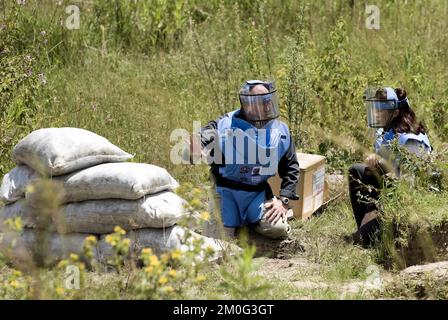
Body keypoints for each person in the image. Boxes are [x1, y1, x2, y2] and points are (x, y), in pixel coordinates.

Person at [185, 80, 300, 240]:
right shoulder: (226, 124)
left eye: (268, 100)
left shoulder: (281, 132)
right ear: (248, 104)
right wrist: (196, 144)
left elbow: (291, 168)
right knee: (217, 243)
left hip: (257, 194)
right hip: (225, 193)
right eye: (261, 101)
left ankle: (252, 220)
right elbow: (204, 135)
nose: (267, 105)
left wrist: (284, 200)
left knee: (278, 229)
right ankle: (226, 221)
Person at [348, 86, 432, 247]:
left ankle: (370, 233)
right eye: (376, 110)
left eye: (382, 111)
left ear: (395, 112)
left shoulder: (411, 140)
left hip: (406, 205)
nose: (377, 114)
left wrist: (377, 209)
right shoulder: (388, 133)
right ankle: (365, 228)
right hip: (388, 195)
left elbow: (412, 185)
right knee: (357, 171)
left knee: (354, 241)